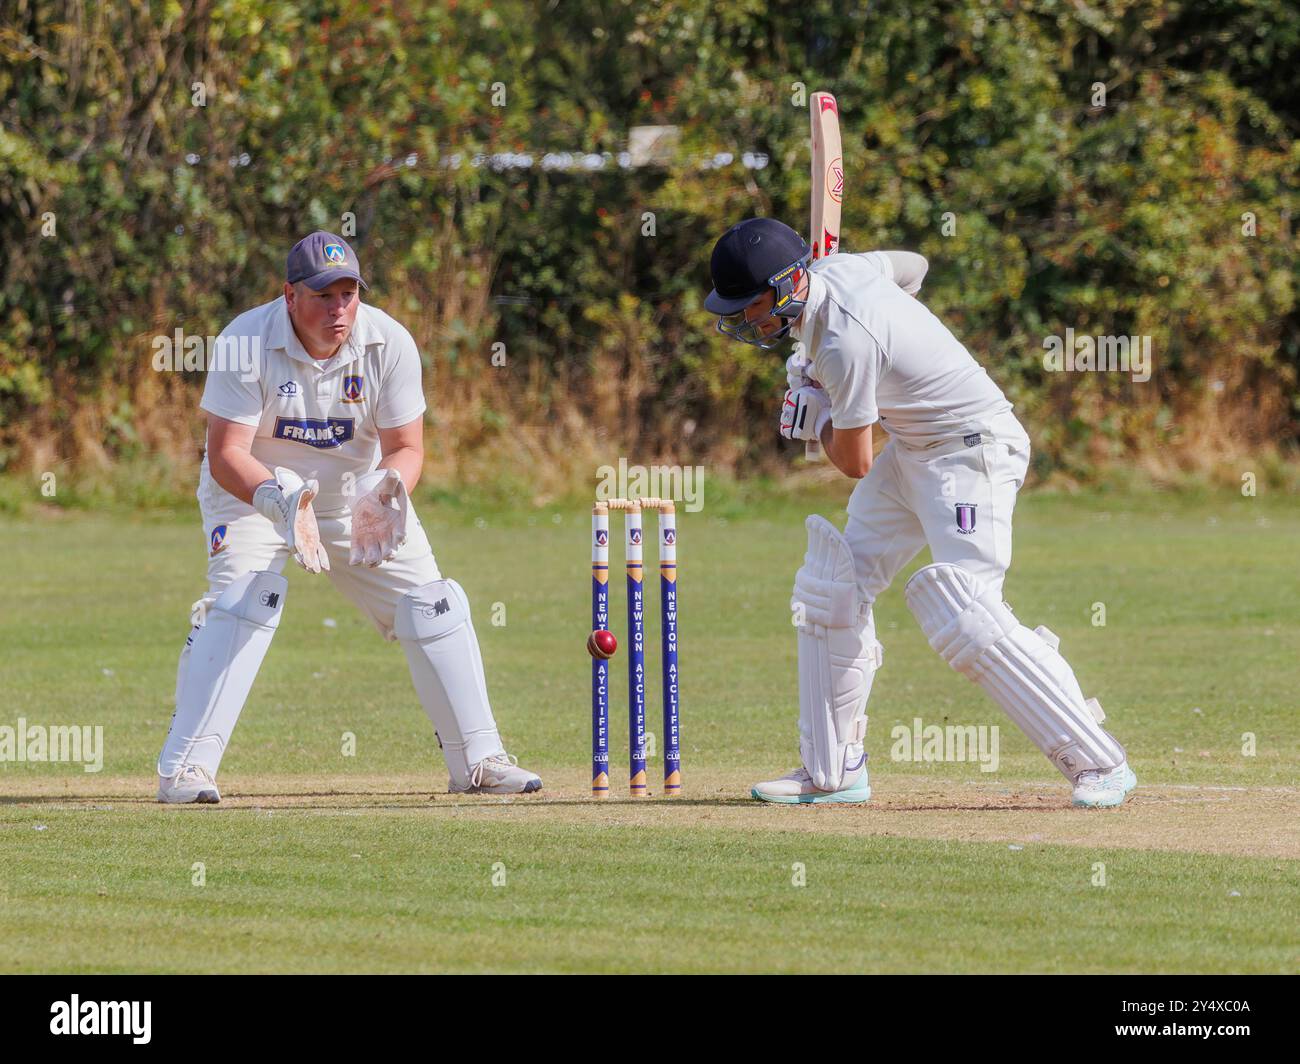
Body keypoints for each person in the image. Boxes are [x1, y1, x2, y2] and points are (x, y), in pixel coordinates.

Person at [704, 218, 1135, 809]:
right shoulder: (844, 269)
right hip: (915, 448)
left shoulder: (843, 344)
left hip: (971, 451)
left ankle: (1098, 761)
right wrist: (882, 351)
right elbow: (914, 267)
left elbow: (853, 460)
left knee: (967, 611)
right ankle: (834, 770)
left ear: (785, 288)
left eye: (749, 306)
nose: (746, 320)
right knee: (834, 583)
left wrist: (817, 413)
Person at [155, 231, 541, 803]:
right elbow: (226, 454)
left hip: (353, 501)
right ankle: (185, 770)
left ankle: (478, 761)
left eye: (348, 293)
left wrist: (386, 494)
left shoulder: (389, 341)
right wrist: (279, 503)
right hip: (254, 496)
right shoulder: (245, 340)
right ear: (289, 296)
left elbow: (407, 448)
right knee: (242, 602)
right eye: (323, 295)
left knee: (434, 604)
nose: (339, 309)